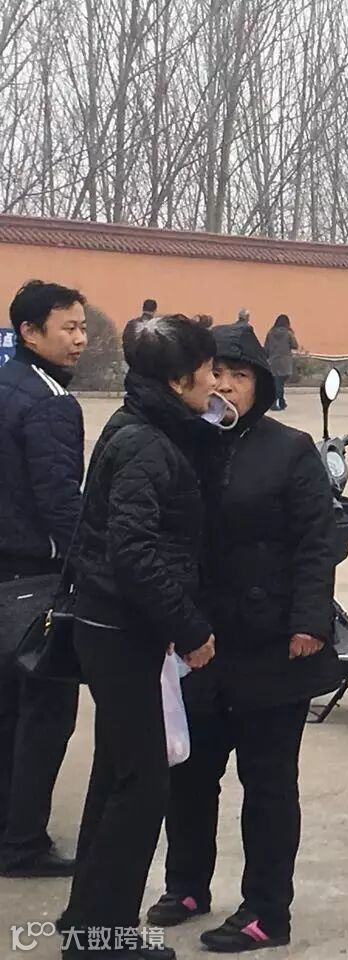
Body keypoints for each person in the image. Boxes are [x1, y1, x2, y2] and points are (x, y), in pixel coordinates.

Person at [145, 323, 341, 952]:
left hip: (273, 644)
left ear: (262, 384)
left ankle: (266, 911)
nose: (226, 385)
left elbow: (317, 540)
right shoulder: (182, 443)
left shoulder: (291, 449)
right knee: (190, 775)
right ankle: (186, 885)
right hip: (199, 641)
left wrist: (309, 620)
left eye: (241, 374)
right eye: (217, 373)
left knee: (268, 784)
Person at [59, 315, 223, 960]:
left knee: (117, 774)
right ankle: (105, 936)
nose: (216, 384)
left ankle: (87, 921)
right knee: (142, 786)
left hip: (112, 624)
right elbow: (134, 552)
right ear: (179, 380)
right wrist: (190, 628)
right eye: (209, 372)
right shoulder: (147, 445)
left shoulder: (143, 424)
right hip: (122, 631)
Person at [0, 280, 87, 878]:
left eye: (83, 327)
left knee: (9, 711)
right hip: (35, 578)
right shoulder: (51, 402)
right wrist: (90, 568)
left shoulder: (8, 385)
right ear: (30, 333)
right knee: (45, 713)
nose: (80, 339)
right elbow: (61, 504)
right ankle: (23, 842)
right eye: (68, 328)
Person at [263, 315, 298, 410]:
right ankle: (276, 403)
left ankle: (281, 401)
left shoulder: (270, 333)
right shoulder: (288, 334)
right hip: (285, 362)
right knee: (279, 383)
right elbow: (295, 345)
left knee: (277, 382)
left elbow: (266, 348)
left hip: (273, 362)